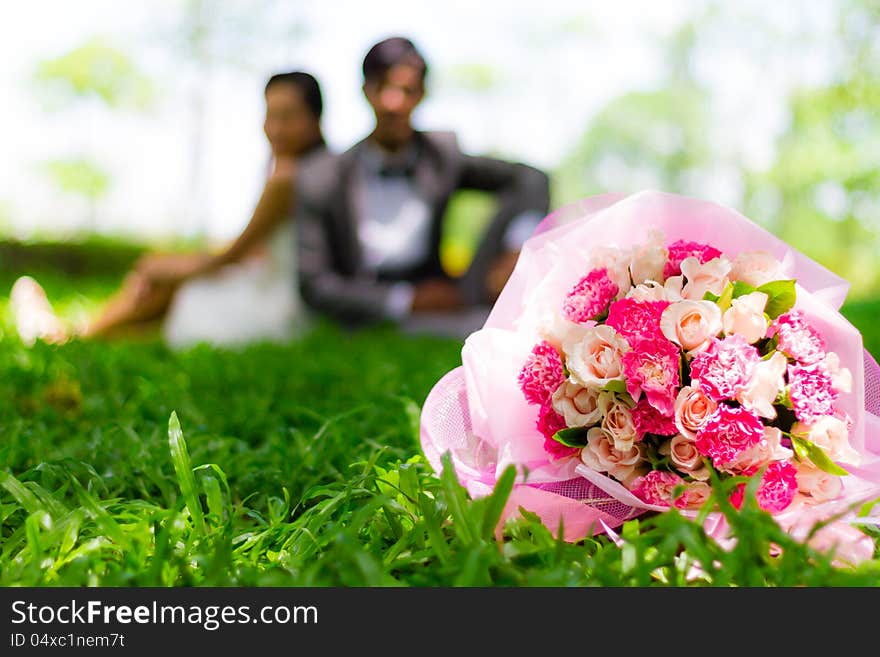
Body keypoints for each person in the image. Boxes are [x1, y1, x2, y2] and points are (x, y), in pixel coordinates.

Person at [11, 71, 327, 348]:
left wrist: (168, 267)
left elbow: (235, 254)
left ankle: (69, 337)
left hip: (279, 306)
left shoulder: (286, 180)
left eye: (287, 117)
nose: (276, 128)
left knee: (169, 281)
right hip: (293, 301)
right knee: (168, 287)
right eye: (270, 116)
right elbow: (259, 249)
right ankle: (78, 334)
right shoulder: (322, 171)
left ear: (314, 119)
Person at [294, 36, 550, 337]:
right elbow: (314, 285)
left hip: (445, 295)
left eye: (406, 90)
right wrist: (403, 301)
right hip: (364, 305)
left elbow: (532, 178)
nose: (393, 103)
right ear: (365, 91)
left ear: (422, 94)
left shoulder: (442, 155)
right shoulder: (322, 176)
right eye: (382, 87)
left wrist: (514, 249)